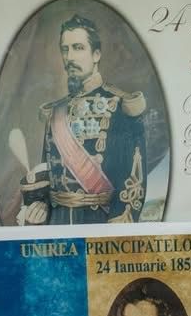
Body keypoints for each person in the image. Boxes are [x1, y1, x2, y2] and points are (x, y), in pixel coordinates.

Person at [17, 14, 153, 226]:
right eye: (65, 49)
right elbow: (49, 171)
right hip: (58, 223)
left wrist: (118, 225)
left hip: (100, 220)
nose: (70, 57)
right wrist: (41, 204)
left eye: (78, 48)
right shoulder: (56, 111)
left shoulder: (120, 105)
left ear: (96, 54)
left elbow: (134, 182)